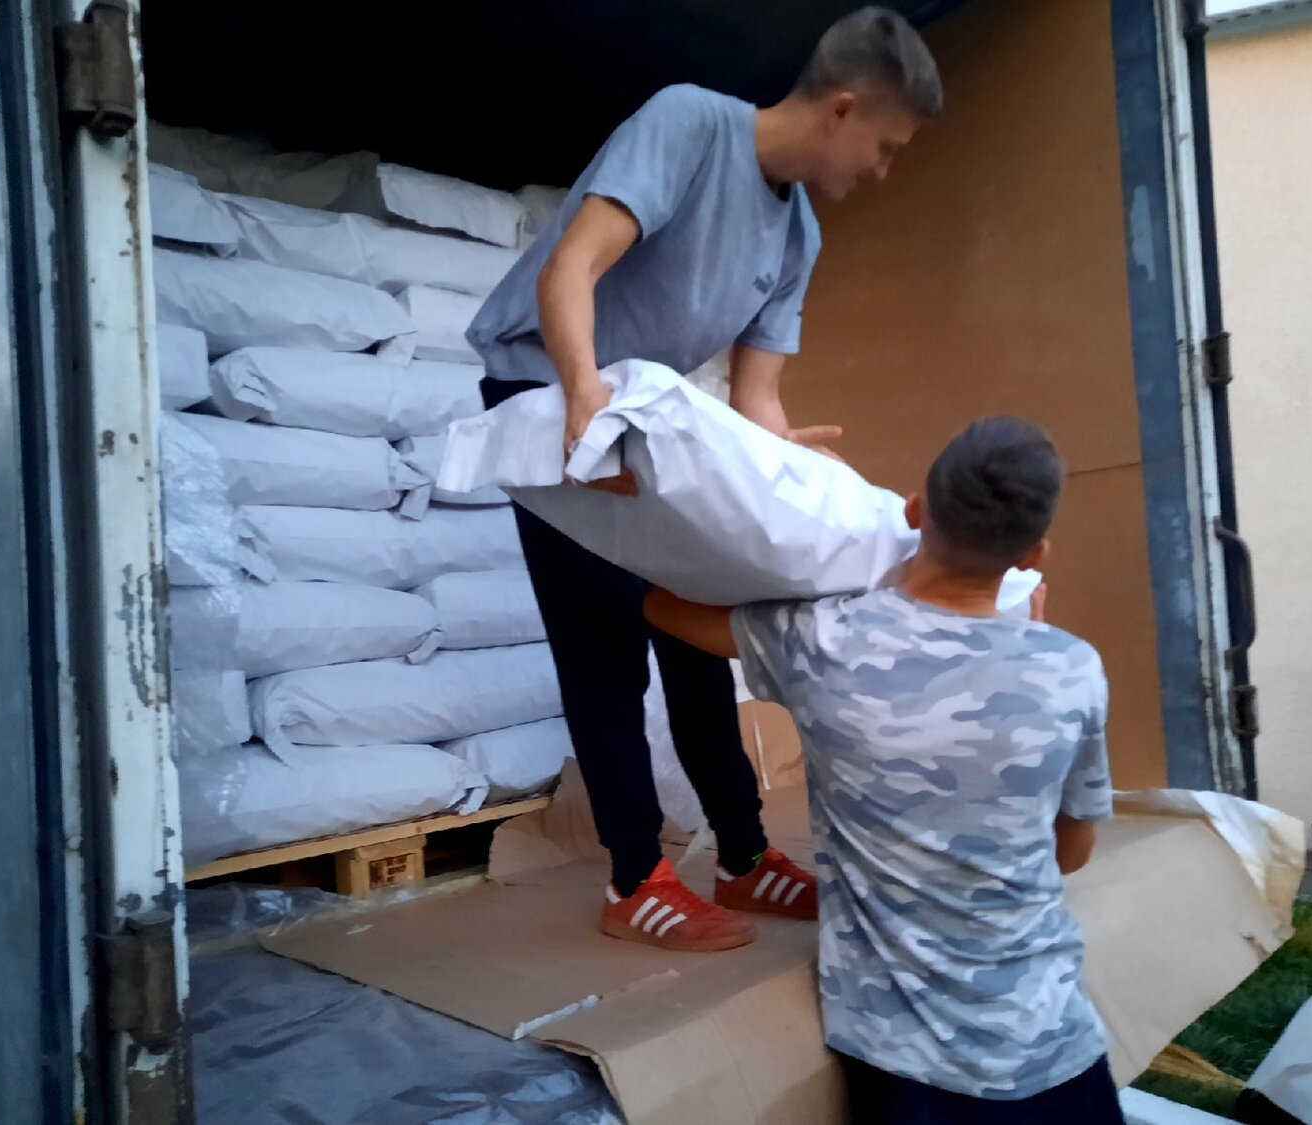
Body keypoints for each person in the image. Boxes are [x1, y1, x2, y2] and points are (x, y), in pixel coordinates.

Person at [468, 9, 944, 952]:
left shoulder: (798, 234)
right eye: (886, 148)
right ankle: (634, 876)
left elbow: (759, 396)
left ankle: (742, 854)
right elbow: (572, 267)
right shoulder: (688, 122)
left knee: (696, 618)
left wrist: (787, 466)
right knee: (605, 626)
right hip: (546, 385)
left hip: (649, 407)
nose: (882, 172)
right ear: (843, 109)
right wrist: (581, 402)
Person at [644, 417, 1124, 1123]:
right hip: (1052, 1045)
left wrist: (770, 482)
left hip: (903, 1064)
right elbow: (1070, 853)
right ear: (1034, 554)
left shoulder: (822, 640)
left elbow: (662, 604)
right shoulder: (1071, 668)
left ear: (915, 510)